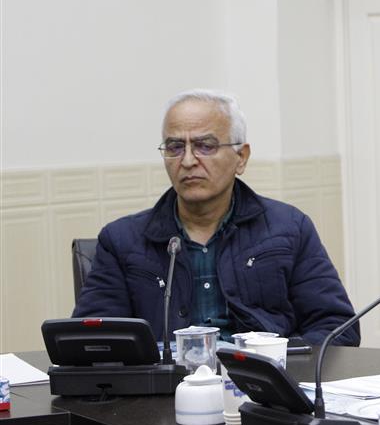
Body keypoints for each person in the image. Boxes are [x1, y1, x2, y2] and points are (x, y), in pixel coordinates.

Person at [73, 89, 358, 346]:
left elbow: (337, 327)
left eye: (205, 146)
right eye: (175, 147)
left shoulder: (289, 227)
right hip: (165, 384)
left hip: (261, 381)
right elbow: (91, 342)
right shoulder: (122, 240)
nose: (187, 161)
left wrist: (278, 360)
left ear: (241, 157)